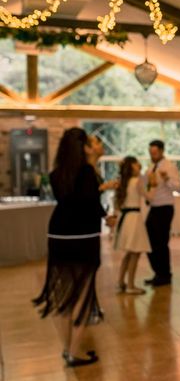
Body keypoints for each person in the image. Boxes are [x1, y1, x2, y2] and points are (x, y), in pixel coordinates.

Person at [32, 128, 106, 367]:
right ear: (83, 147)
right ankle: (75, 352)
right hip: (83, 237)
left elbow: (71, 202)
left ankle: (67, 349)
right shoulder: (87, 172)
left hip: (58, 235)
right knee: (83, 295)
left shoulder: (56, 174)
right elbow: (90, 206)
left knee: (65, 297)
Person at [143, 140, 180, 287]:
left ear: (161, 151)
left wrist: (167, 179)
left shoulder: (169, 166)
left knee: (161, 243)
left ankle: (165, 275)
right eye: (150, 153)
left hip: (165, 208)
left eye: (154, 153)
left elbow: (178, 188)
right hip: (153, 208)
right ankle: (158, 272)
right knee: (149, 242)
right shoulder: (151, 167)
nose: (152, 155)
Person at [113, 156, 152, 295]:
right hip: (134, 218)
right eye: (136, 163)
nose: (139, 165)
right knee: (135, 252)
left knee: (129, 252)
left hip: (125, 218)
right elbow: (150, 197)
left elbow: (117, 204)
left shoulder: (123, 182)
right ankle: (130, 285)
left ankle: (120, 282)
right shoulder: (137, 181)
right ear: (132, 167)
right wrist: (154, 185)